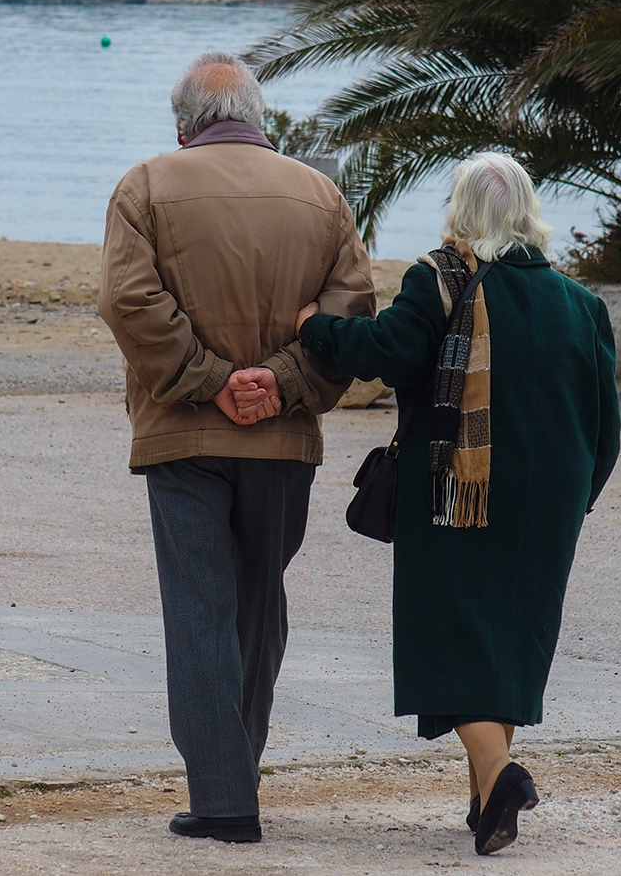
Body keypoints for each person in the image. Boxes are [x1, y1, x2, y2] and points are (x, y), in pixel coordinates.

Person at [286, 152, 621, 855]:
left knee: (452, 635)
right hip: (550, 502)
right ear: (527, 211)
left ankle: (501, 775)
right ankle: (484, 804)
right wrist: (574, 498)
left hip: (457, 490)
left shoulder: (438, 277)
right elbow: (606, 426)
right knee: (508, 636)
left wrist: (316, 326)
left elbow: (387, 351)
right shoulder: (582, 304)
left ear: (462, 212)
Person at [98, 51, 376, 844]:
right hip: (284, 439)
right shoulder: (320, 195)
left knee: (200, 608)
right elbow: (352, 307)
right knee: (257, 602)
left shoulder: (145, 185)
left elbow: (126, 299)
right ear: (260, 117)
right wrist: (280, 382)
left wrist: (210, 381)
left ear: (182, 123)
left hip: (182, 432)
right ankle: (238, 769)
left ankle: (223, 796)